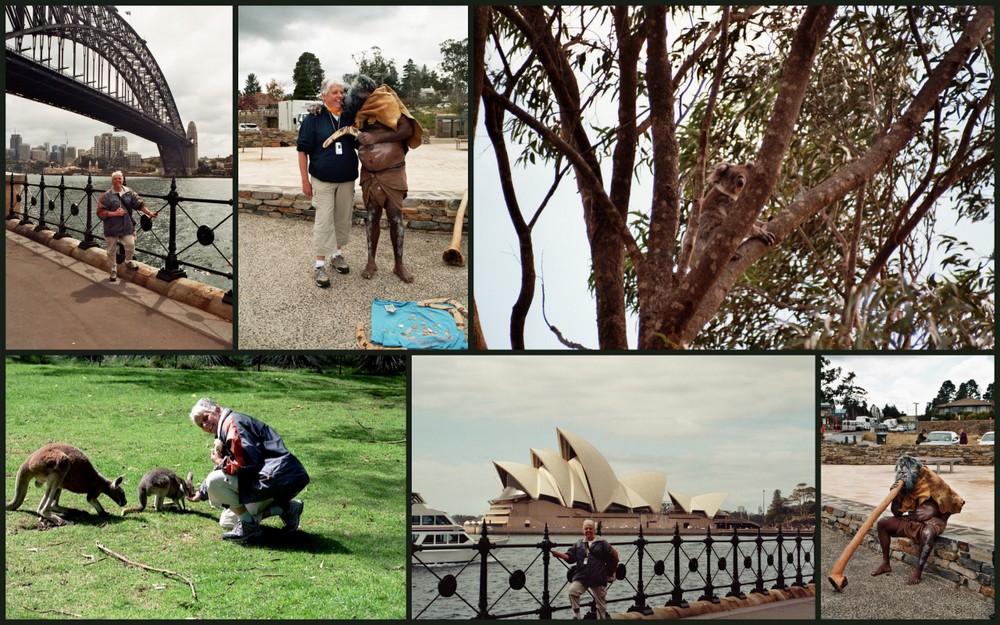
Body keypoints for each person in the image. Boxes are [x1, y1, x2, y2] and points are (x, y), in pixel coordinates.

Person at [186, 398, 309, 541]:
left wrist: (220, 462)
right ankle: (288, 509)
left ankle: (249, 526)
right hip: (271, 478)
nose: (205, 425)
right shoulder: (226, 428)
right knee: (227, 521)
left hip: (273, 478)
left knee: (214, 481)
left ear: (217, 410)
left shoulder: (232, 424)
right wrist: (201, 493)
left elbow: (245, 464)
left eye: (206, 418)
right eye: (201, 425)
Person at [344, 75, 423, 283]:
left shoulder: (389, 103)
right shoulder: (357, 111)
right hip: (369, 175)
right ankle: (371, 261)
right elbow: (341, 118)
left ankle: (399, 264)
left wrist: (376, 138)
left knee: (395, 216)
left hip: (392, 172)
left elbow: (407, 129)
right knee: (371, 217)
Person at [298, 80, 359, 287]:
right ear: (324, 96)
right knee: (324, 221)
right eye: (334, 92)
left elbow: (360, 142)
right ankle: (319, 265)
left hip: (347, 178)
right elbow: (302, 150)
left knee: (342, 219)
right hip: (322, 180)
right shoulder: (313, 118)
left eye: (342, 92)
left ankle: (337, 254)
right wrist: (305, 180)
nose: (340, 95)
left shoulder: (350, 116)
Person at [870, 456, 964, 585]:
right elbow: (896, 513)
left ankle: (918, 570)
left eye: (904, 472)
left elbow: (953, 502)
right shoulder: (907, 485)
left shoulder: (932, 480)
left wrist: (935, 511)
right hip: (911, 521)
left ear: (913, 471)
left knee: (927, 533)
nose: (901, 475)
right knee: (883, 523)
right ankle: (885, 563)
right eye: (900, 472)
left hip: (932, 522)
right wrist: (896, 495)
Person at [96, 171, 157, 282]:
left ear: (123, 180)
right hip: (111, 227)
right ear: (112, 181)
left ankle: (128, 261)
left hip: (126, 225)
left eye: (120, 178)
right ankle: (113, 269)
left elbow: (139, 204)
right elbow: (100, 212)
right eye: (115, 179)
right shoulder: (106, 196)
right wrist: (114, 213)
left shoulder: (129, 192)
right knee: (111, 250)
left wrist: (149, 213)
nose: (118, 181)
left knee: (131, 244)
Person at [551, 519, 615, 619]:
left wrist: (608, 573)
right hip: (582, 576)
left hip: (598, 576)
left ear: (594, 530)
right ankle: (577, 616)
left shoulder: (602, 543)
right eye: (586, 528)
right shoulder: (579, 544)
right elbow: (571, 556)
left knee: (600, 604)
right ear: (583, 530)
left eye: (590, 528)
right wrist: (560, 555)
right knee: (573, 591)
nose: (588, 530)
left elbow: (612, 558)